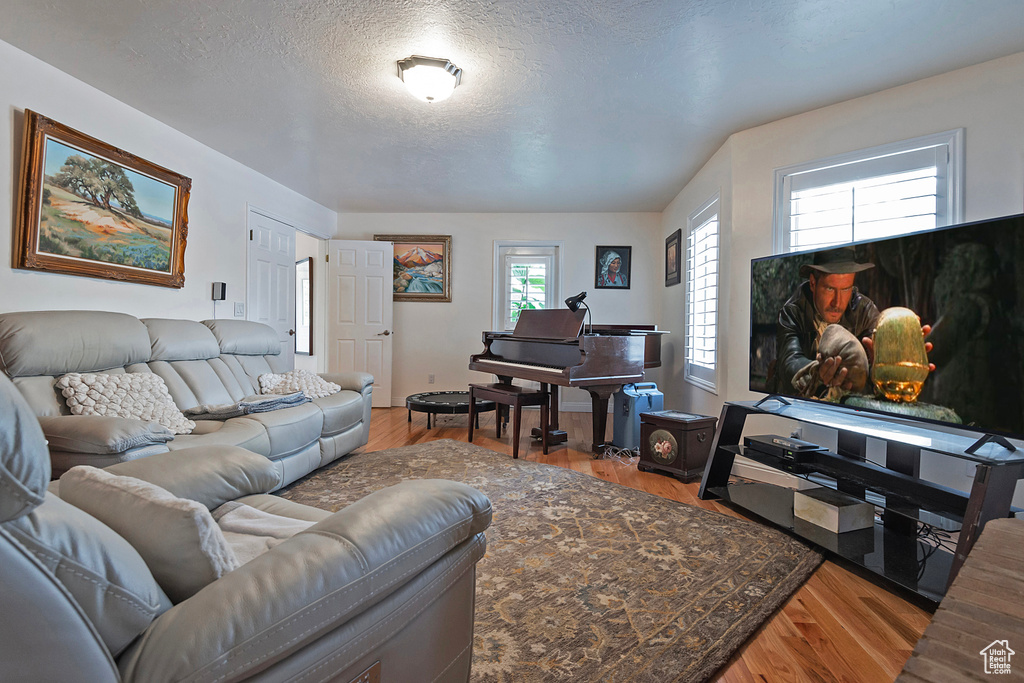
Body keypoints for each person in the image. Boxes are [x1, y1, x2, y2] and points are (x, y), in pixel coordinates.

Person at [771, 246, 880, 397]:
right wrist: (816, 373)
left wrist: (882, 366)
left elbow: (878, 362)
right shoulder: (793, 311)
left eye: (845, 289)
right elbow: (789, 361)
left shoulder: (865, 312)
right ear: (813, 283)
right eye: (830, 289)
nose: (837, 302)